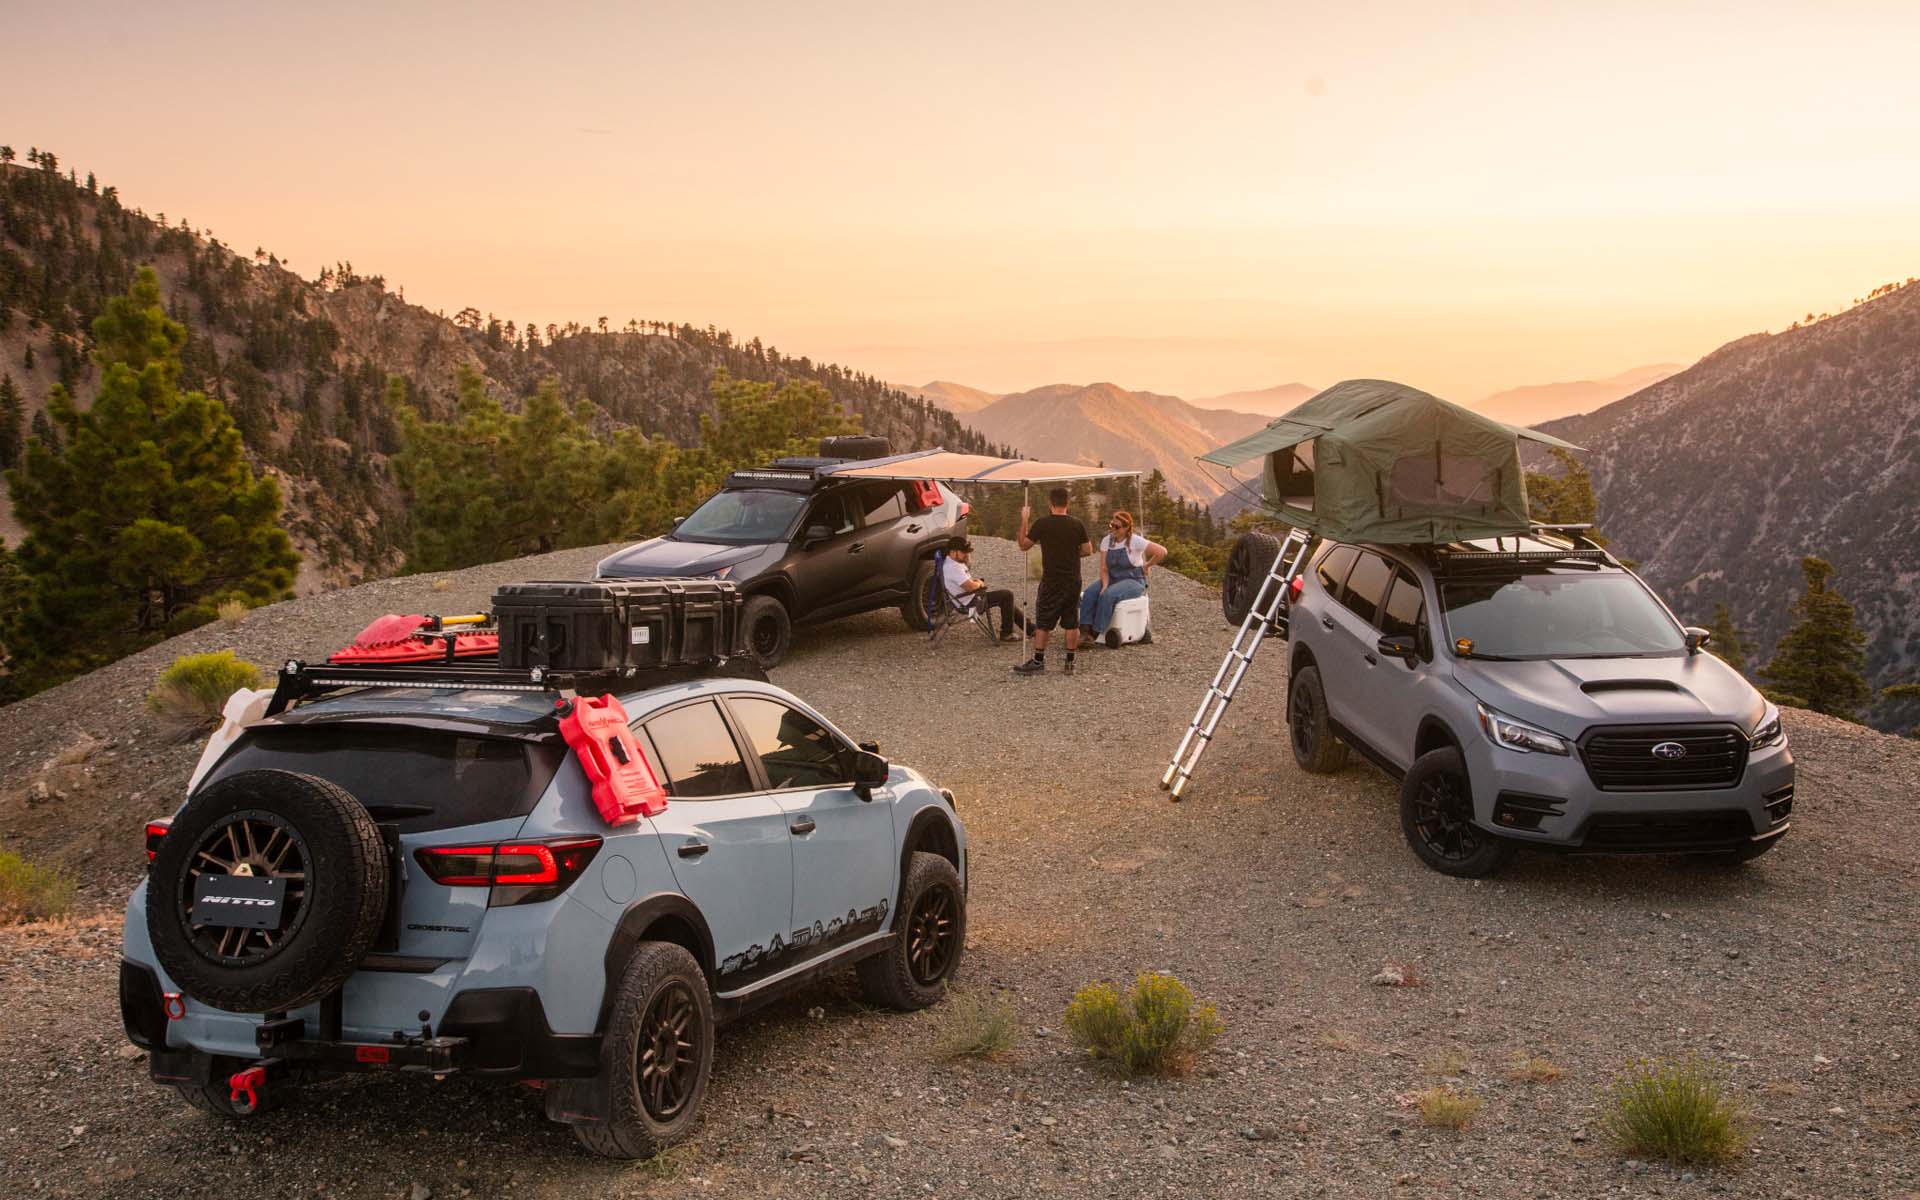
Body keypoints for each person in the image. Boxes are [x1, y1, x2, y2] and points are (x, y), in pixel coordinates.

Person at [1013, 486, 1091, 675]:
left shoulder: (1043, 523)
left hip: (1052, 580)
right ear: (1067, 503)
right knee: (1071, 621)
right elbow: (1087, 550)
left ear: (1050, 503)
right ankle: (1070, 662)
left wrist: (1024, 520)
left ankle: (1038, 661)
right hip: (1072, 579)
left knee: (1044, 620)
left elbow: (1023, 545)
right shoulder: (1077, 524)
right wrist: (1071, 555)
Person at [1079, 510, 1166, 643]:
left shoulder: (1135, 541)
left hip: (1134, 580)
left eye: (1117, 527)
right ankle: (1084, 631)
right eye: (1111, 525)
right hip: (1112, 578)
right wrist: (1105, 584)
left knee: (1108, 595)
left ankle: (1095, 633)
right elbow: (1104, 568)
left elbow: (1161, 551)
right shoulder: (1107, 541)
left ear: (1126, 528)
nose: (1113, 529)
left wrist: (1147, 566)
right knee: (1089, 593)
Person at [941, 538, 1027, 640]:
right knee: (1007, 595)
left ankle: (1029, 628)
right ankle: (1007, 634)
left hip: (967, 599)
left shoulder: (950, 562)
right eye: (964, 552)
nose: (967, 554)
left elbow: (964, 581)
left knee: (1005, 599)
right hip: (970, 603)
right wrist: (979, 583)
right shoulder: (954, 568)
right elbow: (970, 588)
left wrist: (970, 569)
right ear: (953, 552)